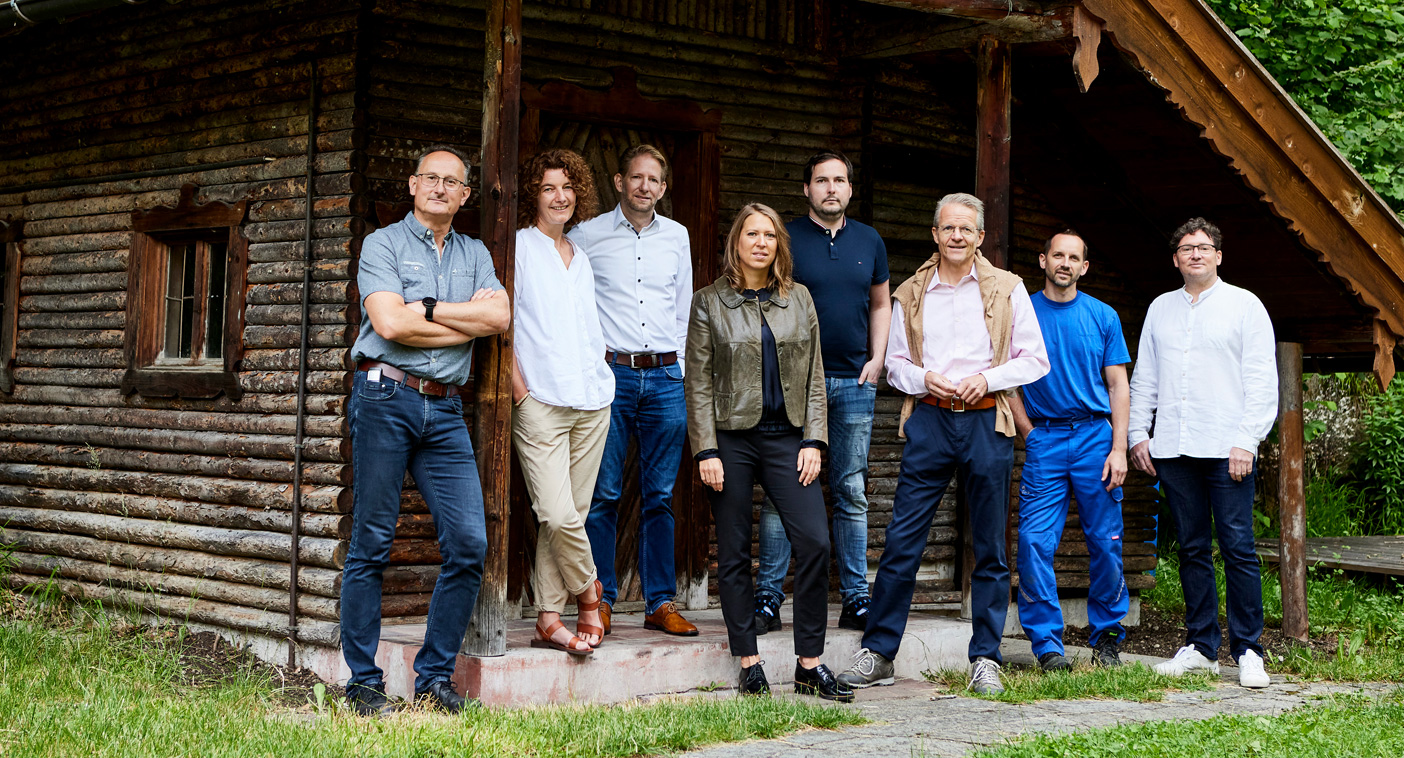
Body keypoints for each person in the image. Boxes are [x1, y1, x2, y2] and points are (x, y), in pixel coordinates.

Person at [838, 193, 1049, 695]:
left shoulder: (1008, 288)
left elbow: (1035, 359)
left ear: (980, 237)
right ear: (935, 234)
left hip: (987, 421)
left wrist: (988, 378)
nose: (957, 236)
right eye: (948, 228)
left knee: (990, 546)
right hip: (930, 420)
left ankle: (987, 658)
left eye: (966, 229)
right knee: (902, 540)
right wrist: (923, 379)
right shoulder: (911, 292)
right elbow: (894, 364)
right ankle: (879, 653)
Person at [343, 145, 511, 715]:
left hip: (444, 408)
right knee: (371, 542)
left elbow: (499, 317)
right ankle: (363, 683)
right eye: (430, 178)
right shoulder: (382, 244)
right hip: (384, 396)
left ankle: (433, 680)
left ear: (465, 195)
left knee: (468, 544)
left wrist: (431, 308)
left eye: (452, 182)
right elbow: (389, 323)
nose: (440, 187)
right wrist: (464, 324)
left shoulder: (475, 253)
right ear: (414, 185)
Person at [685, 203, 852, 702]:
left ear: (780, 244)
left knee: (815, 542)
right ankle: (749, 662)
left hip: (788, 438)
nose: (761, 243)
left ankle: (809, 664)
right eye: (752, 234)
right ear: (736, 241)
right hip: (730, 440)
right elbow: (697, 383)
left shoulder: (798, 298)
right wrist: (706, 450)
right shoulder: (708, 302)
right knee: (735, 549)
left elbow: (815, 375)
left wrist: (814, 440)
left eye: (770, 235)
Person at [1131, 217, 1277, 689]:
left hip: (1227, 448)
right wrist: (1137, 433)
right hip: (1174, 448)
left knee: (1237, 548)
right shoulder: (1160, 308)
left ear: (1218, 255)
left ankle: (1248, 651)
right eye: (1186, 248)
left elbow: (1261, 379)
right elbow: (1145, 377)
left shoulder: (1244, 305)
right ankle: (1200, 648)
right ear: (1175, 259)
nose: (1195, 253)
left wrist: (1248, 439)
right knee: (1192, 548)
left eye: (1203, 246)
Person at [755, 150, 891, 634]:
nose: (831, 188)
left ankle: (856, 599)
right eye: (821, 180)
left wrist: (877, 359)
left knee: (851, 489)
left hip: (854, 382)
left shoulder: (870, 240)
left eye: (839, 180)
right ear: (806, 189)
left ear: (849, 188)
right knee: (782, 490)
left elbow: (881, 303)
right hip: (795, 386)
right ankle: (768, 598)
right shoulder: (786, 238)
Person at [568, 145, 698, 637]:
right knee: (603, 493)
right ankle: (599, 599)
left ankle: (659, 602)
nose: (645, 186)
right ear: (620, 181)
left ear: (663, 188)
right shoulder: (586, 235)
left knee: (660, 495)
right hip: (612, 376)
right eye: (636, 177)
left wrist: (680, 368)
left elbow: (684, 307)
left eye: (654, 180)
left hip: (665, 378)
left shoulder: (678, 236)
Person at [1007, 230, 1131, 673]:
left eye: (1073, 257)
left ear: (1084, 267)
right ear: (1043, 260)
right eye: (1057, 255)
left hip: (1096, 437)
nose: (1065, 263)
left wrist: (1119, 448)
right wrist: (1028, 432)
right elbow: (1007, 380)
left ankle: (1107, 639)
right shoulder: (1022, 314)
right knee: (1033, 541)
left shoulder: (1103, 316)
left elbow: (1117, 385)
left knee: (1106, 541)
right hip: (1045, 438)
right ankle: (1047, 645)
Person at [511, 148, 613, 657]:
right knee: (555, 512)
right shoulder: (518, 248)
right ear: (534, 193)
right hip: (542, 401)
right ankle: (590, 596)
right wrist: (520, 393)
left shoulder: (581, 255)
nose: (560, 197)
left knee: (573, 512)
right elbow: (503, 325)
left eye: (568, 187)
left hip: (592, 399)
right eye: (549, 187)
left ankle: (549, 619)